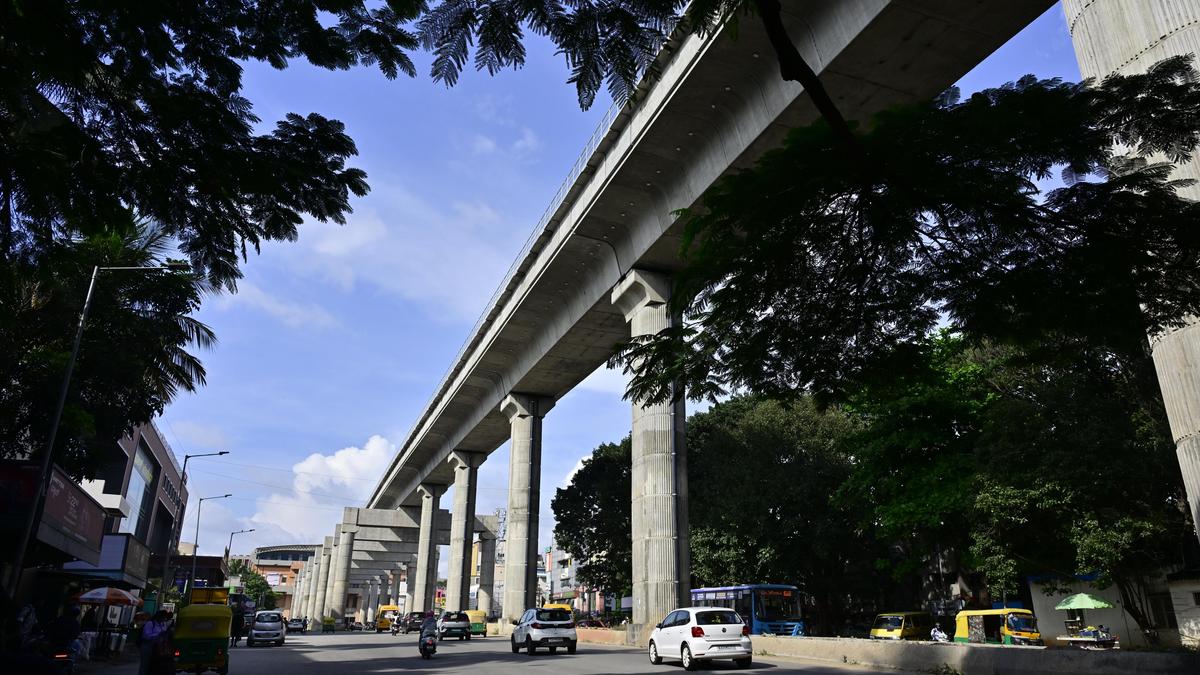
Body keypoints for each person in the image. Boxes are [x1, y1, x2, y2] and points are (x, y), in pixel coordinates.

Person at [138, 610, 171, 675]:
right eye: (164, 617)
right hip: (148, 646)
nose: (164, 619)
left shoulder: (163, 624)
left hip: (158, 647)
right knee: (145, 665)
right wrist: (158, 635)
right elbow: (146, 636)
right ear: (159, 616)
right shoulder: (150, 623)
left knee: (155, 665)